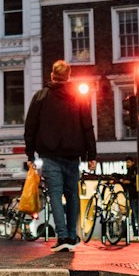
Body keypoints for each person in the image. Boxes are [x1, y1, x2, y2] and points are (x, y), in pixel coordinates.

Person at [24, 59, 96, 251]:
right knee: (72, 195)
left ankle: (62, 236)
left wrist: (30, 154)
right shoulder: (79, 97)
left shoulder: (41, 96)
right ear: (69, 76)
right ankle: (72, 236)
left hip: (49, 154)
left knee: (55, 195)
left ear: (52, 75)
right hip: (73, 155)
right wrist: (92, 155)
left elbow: (30, 127)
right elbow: (87, 126)